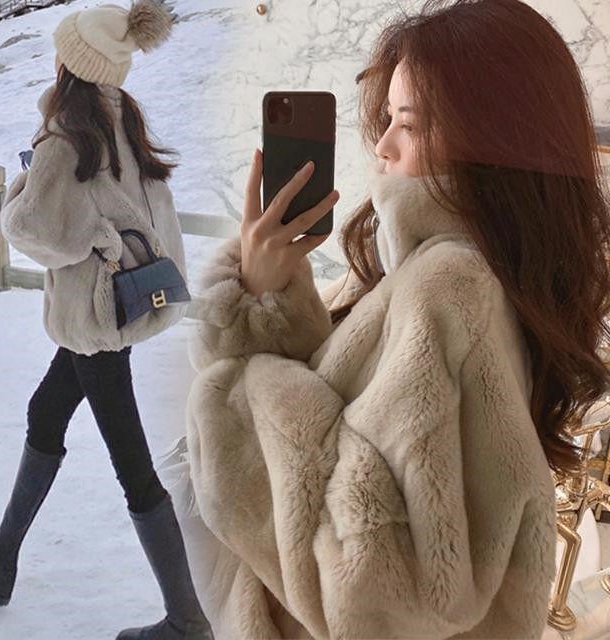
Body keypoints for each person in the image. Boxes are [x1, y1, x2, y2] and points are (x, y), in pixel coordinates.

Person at [160, 0, 610, 638]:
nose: (383, 145)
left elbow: (383, 592)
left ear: (492, 137)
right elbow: (370, 430)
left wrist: (240, 390)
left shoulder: (448, 288)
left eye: (410, 123)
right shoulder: (472, 275)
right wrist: (264, 295)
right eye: (388, 118)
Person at [0, 1, 212, 639]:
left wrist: (24, 190)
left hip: (94, 318)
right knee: (45, 413)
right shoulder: (122, 118)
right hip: (113, 310)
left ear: (73, 64)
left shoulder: (66, 136)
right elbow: (149, 207)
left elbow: (34, 228)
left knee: (133, 466)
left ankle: (187, 621)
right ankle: (0, 559)